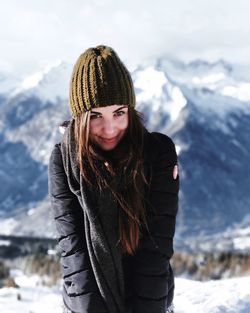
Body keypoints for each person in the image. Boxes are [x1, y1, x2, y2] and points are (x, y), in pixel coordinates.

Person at [48, 45, 179, 313]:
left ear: (130, 110)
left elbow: (156, 247)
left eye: (119, 113)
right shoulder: (63, 159)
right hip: (85, 299)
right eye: (96, 116)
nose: (109, 129)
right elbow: (73, 248)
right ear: (80, 118)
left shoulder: (157, 154)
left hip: (150, 297)